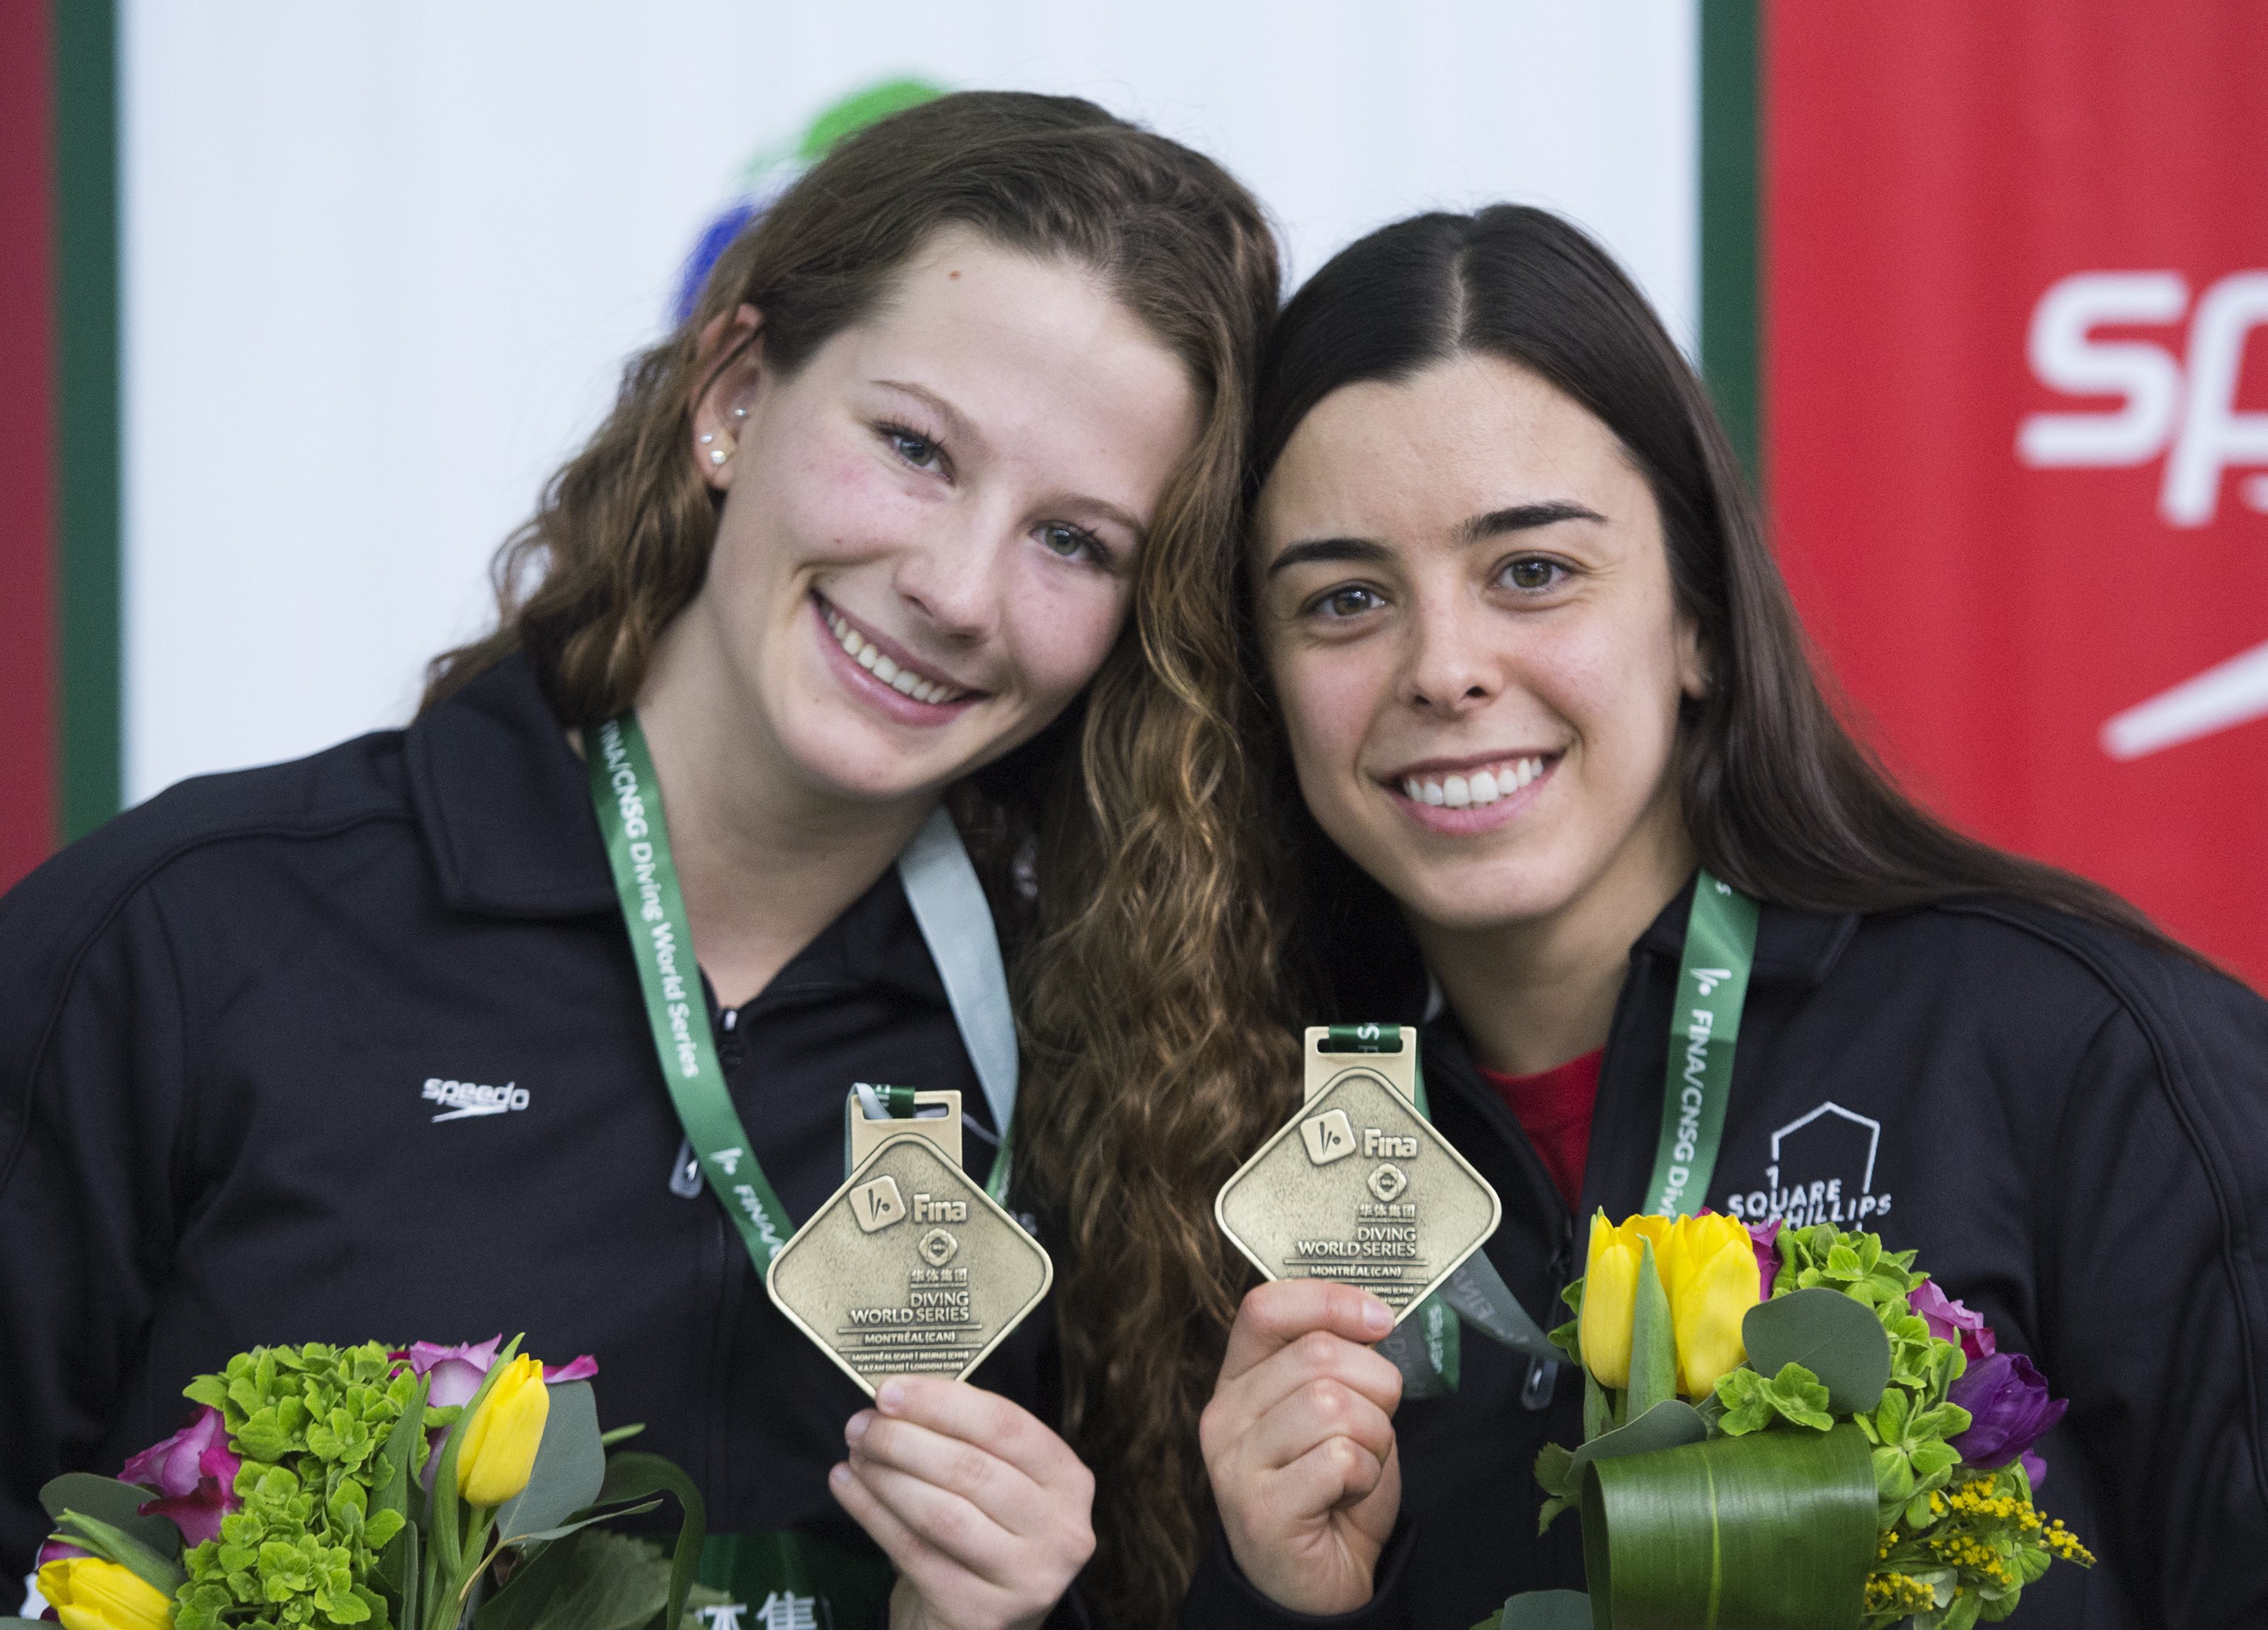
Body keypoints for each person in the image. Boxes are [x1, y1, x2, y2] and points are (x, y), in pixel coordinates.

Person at [0, 91, 1280, 1630]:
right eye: (915, 447)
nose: (956, 587)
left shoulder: (1114, 1057)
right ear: (735, 394)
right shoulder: (190, 936)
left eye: (1076, 540)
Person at [1179, 206, 2268, 1628]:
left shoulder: (2086, 1054)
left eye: (1532, 572)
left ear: (1697, 614)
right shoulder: (1218, 1146)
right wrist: (1279, 1605)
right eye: (1344, 600)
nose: (1443, 667)